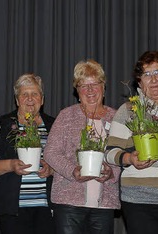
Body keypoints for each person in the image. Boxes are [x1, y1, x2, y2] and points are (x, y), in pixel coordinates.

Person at [104, 51, 158, 234]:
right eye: (147, 75)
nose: (153, 80)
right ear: (139, 81)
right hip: (137, 199)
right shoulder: (128, 110)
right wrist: (129, 158)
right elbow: (109, 152)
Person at [44, 59, 119, 234]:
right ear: (77, 91)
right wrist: (72, 171)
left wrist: (111, 172)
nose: (90, 90)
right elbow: (51, 152)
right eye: (83, 85)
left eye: (95, 84)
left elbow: (122, 155)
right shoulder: (66, 116)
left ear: (104, 87)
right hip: (69, 204)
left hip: (104, 205)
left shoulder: (116, 118)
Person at [0, 73, 56, 234]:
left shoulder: (54, 125)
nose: (30, 98)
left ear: (42, 98)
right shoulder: (2, 125)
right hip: (13, 208)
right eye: (24, 94)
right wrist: (12, 165)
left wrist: (52, 170)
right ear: (17, 99)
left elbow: (64, 162)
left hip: (47, 208)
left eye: (35, 94)